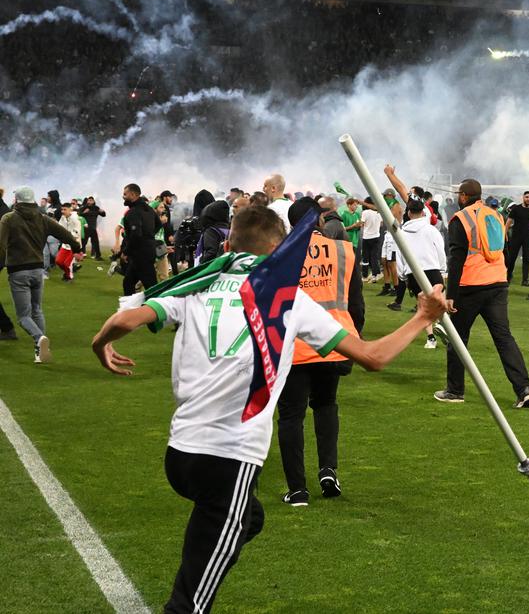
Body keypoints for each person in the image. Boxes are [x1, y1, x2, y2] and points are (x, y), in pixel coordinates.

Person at [91, 205, 446, 613]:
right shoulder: (290, 300)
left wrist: (100, 345)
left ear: (227, 244)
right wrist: (423, 317)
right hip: (229, 459)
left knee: (248, 520)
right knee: (188, 603)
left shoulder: (196, 285)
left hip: (181, 455)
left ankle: (211, 546)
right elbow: (372, 356)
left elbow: (128, 318)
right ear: (280, 254)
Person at [277, 198, 366, 507]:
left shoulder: (279, 255)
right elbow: (355, 302)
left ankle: (297, 489)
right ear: (317, 220)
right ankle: (328, 470)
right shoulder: (343, 249)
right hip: (334, 340)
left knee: (291, 415)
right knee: (326, 406)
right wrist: (356, 338)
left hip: (293, 346)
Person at [433, 179, 529, 408]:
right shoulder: (496, 215)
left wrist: (451, 294)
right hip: (497, 284)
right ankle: (524, 389)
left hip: (470, 286)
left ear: (463, 196)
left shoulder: (461, 219)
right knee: (504, 338)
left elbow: (456, 258)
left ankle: (455, 391)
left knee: (457, 339)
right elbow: (504, 250)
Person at [0, 186, 82, 362]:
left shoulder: (8, 219)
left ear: (17, 200)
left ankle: (39, 339)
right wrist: (77, 247)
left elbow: (1, 245)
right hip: (38, 270)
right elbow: (65, 235)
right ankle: (41, 350)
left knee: (23, 316)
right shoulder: (43, 218)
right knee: (37, 309)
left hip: (18, 271)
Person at [387, 198, 448, 350]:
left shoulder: (401, 232)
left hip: (412, 271)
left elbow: (399, 254)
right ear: (423, 212)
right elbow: (440, 250)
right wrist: (442, 268)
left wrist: (402, 275)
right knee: (440, 299)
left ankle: (431, 338)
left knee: (423, 306)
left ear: (408, 212)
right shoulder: (431, 230)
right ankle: (442, 324)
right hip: (432, 268)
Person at [121, 183, 159, 296]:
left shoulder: (133, 212)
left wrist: (126, 251)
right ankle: (130, 308)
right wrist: (149, 237)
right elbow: (158, 225)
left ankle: (157, 310)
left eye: (125, 194)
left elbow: (136, 235)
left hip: (140, 253)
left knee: (151, 286)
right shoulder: (149, 209)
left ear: (132, 195)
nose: (123, 197)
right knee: (128, 282)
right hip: (149, 250)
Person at [505, 191, 529, 286]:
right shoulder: (516, 209)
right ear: (523, 197)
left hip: (528, 238)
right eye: (527, 197)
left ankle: (525, 280)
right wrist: (505, 234)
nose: (528, 199)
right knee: (512, 258)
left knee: (526, 259)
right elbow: (508, 222)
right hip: (516, 237)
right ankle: (508, 277)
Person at [359, 199, 383, 281]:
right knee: (374, 257)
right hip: (376, 237)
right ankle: (374, 275)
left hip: (366, 237)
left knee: (365, 257)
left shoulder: (365, 212)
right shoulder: (379, 212)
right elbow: (381, 224)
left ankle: (364, 276)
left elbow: (361, 224)